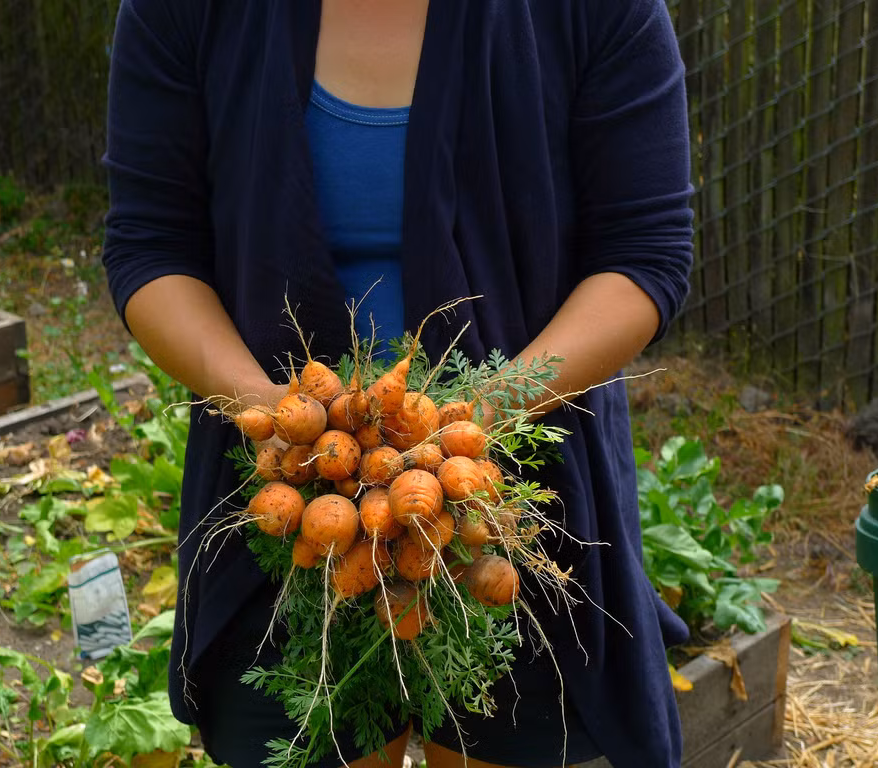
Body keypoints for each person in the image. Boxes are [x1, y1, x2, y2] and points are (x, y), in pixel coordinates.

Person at [101, 1, 694, 766]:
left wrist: (479, 420)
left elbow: (644, 254)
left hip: (517, 511)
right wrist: (272, 414)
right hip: (277, 507)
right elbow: (151, 247)